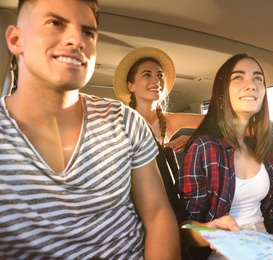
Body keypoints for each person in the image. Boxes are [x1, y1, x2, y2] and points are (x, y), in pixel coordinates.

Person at [0, 0, 180, 259]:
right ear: (16, 40)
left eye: (88, 33)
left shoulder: (125, 121)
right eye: (55, 23)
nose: (77, 39)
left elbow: (158, 213)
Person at [175, 54, 273, 259]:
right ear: (222, 94)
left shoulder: (260, 148)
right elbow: (184, 226)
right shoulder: (204, 147)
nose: (251, 85)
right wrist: (210, 231)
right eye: (238, 78)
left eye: (258, 78)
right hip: (228, 251)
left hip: (267, 246)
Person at [113, 47, 204, 152]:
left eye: (160, 75)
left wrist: (193, 139)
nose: (156, 80)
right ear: (131, 86)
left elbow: (221, 123)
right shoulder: (119, 119)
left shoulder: (170, 120)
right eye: (147, 75)